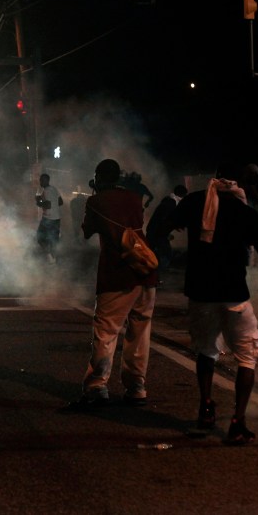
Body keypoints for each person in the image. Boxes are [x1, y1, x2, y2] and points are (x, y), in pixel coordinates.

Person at [165, 162, 258, 444]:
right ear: (240, 185)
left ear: (216, 179)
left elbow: (168, 222)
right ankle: (237, 421)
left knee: (206, 352)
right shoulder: (245, 212)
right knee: (246, 357)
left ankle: (206, 408)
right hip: (233, 293)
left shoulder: (196, 202)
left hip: (201, 293)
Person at [61, 159, 159, 411]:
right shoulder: (135, 198)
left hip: (117, 273)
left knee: (106, 331)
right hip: (145, 272)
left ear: (99, 177)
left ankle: (97, 386)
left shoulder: (96, 201)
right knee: (140, 332)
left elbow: (86, 231)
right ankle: (137, 388)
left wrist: (95, 197)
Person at [145, 184, 188, 271]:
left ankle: (153, 273)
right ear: (182, 195)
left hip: (155, 231)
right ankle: (156, 273)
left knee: (153, 253)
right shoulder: (171, 203)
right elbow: (164, 219)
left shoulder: (170, 201)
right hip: (157, 232)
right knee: (166, 254)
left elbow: (166, 218)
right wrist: (167, 233)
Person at [35, 173, 64, 263]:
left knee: (40, 238)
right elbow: (60, 202)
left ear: (47, 180)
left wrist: (38, 202)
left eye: (42, 180)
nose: (40, 182)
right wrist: (41, 199)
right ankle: (55, 260)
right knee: (54, 240)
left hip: (48, 219)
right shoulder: (54, 189)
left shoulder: (46, 190)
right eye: (40, 180)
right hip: (56, 218)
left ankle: (49, 255)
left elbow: (48, 204)